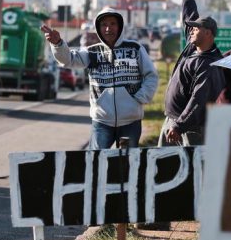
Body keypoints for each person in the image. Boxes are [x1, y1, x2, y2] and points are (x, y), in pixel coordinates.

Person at [41, 8, 158, 149]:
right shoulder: (92, 52)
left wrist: (140, 97)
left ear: (119, 26)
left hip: (130, 121)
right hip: (102, 121)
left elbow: (151, 75)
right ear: (98, 28)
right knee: (96, 162)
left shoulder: (135, 49)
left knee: (128, 164)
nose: (108, 28)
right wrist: (58, 44)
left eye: (113, 24)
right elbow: (69, 60)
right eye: (104, 25)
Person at [158, 0, 225, 146]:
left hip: (189, 127)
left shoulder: (209, 64)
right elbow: (189, 10)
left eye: (197, 28)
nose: (192, 30)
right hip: (173, 121)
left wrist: (179, 126)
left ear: (208, 33)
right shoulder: (192, 46)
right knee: (163, 167)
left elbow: (198, 99)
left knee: (191, 170)